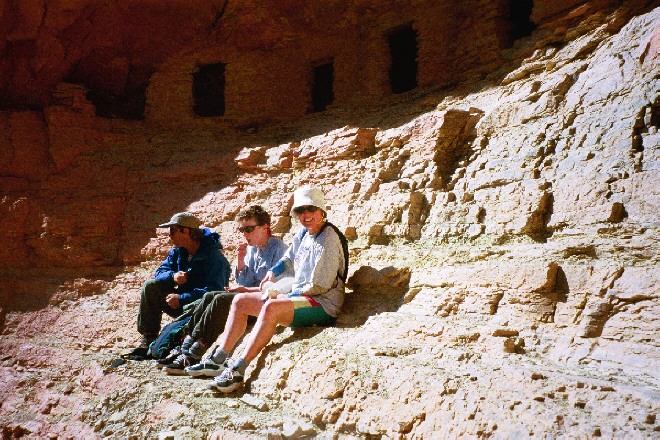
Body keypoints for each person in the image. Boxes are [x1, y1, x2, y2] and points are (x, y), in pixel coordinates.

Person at [207, 186, 346, 393]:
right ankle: (218, 359)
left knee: (272, 307)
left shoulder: (329, 238)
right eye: (300, 211)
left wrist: (285, 295)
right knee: (240, 302)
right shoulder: (303, 234)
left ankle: (238, 370)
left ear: (321, 210)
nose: (306, 215)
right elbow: (288, 258)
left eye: (310, 209)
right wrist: (273, 272)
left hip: (323, 302)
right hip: (302, 295)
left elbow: (320, 285)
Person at [161, 205, 288, 375]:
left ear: (265, 228)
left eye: (249, 229)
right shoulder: (250, 249)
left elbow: (275, 288)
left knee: (220, 300)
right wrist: (241, 262)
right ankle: (186, 346)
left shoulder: (280, 250)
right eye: (242, 229)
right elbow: (241, 280)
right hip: (248, 295)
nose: (245, 234)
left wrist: (246, 290)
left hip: (261, 302)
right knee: (210, 296)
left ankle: (194, 354)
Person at [133, 212, 231, 355]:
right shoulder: (178, 252)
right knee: (151, 286)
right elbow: (160, 272)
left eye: (173, 231)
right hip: (180, 303)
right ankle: (149, 338)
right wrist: (172, 277)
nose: (170, 236)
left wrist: (182, 298)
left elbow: (214, 292)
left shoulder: (214, 258)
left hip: (198, 310)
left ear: (186, 231)